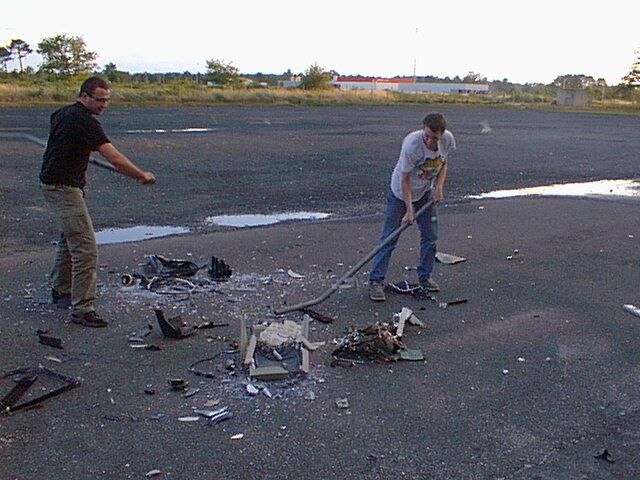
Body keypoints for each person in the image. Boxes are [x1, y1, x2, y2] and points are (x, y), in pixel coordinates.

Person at [40, 76, 156, 327]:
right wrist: (141, 175)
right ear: (83, 96)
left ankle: (61, 290)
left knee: (70, 240)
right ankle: (83, 308)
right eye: (99, 100)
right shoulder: (83, 121)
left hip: (58, 184)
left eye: (107, 100)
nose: (104, 105)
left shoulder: (62, 113)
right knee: (85, 249)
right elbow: (114, 158)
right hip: (63, 188)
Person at [368, 112, 456, 302]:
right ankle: (376, 281)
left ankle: (425, 276)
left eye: (435, 138)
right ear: (423, 129)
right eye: (427, 136)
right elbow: (405, 180)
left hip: (424, 192)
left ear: (442, 134)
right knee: (389, 238)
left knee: (431, 236)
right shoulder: (411, 144)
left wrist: (439, 187)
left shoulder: (447, 140)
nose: (430, 141)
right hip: (401, 194)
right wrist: (409, 210)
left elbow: (443, 163)